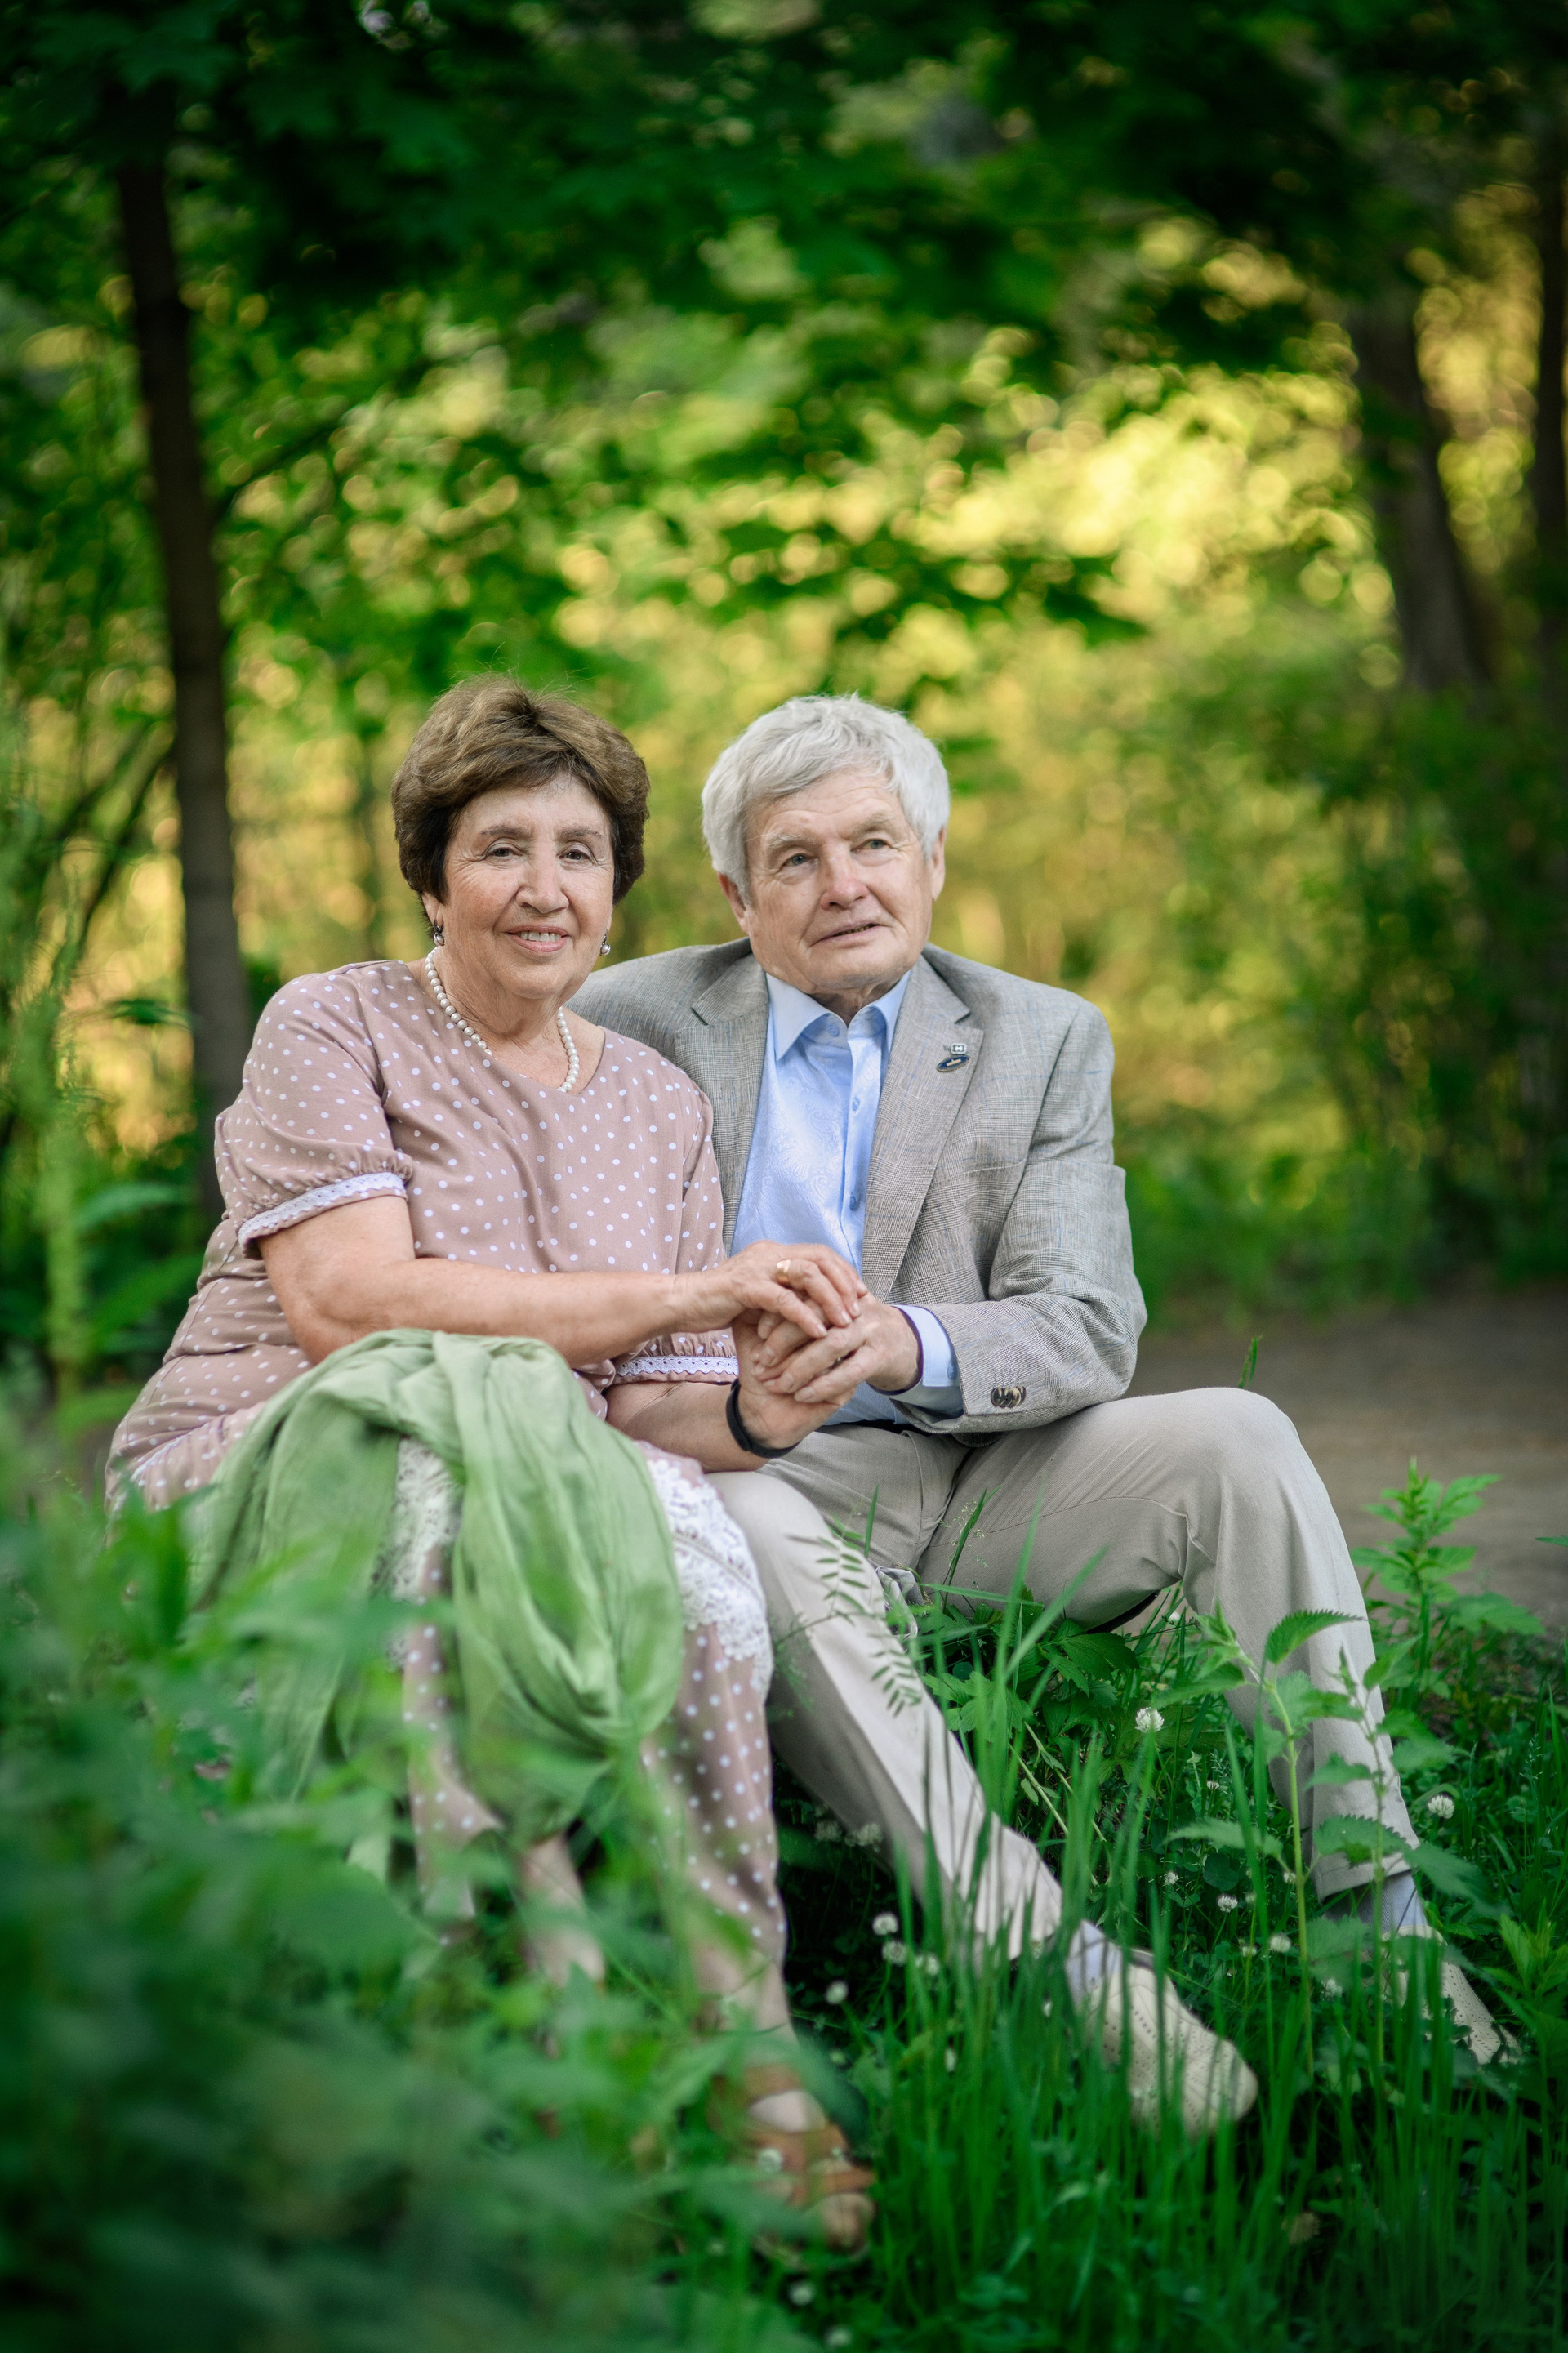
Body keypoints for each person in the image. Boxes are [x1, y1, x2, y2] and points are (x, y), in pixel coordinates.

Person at [572, 690, 1505, 2083]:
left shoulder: (1042, 1035)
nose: (844, 885)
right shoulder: (629, 1019)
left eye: (875, 843)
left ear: (934, 861)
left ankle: (1381, 1927)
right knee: (741, 1517)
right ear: (736, 896)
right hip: (749, 1465)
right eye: (796, 858)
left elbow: (1087, 1323)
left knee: (1239, 1435)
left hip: (986, 1471)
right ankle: (1056, 1962)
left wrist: (904, 1344)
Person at [108, 677, 880, 2243]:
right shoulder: (334, 1022)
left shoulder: (658, 1103)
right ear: (431, 876)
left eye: (579, 852)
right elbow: (349, 1307)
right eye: (501, 847)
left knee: (691, 1538)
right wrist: (684, 1295)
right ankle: (534, 2017)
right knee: (451, 1462)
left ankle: (747, 2036)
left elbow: (648, 1412)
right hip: (270, 1452)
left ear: (619, 886)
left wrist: (760, 1411)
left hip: (542, 1484)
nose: (544, 887)